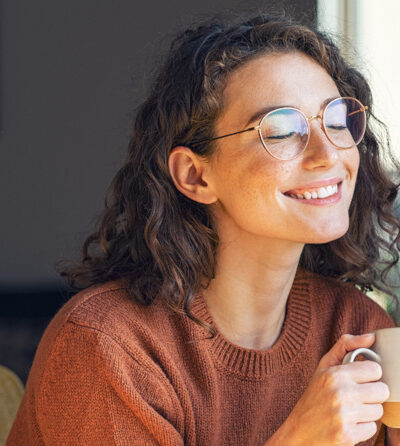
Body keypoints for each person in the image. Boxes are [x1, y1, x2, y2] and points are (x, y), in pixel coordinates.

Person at [6, 11, 400, 446]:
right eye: (283, 129)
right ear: (195, 176)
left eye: (338, 119)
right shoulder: (108, 347)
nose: (328, 154)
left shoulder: (355, 327)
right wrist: (299, 439)